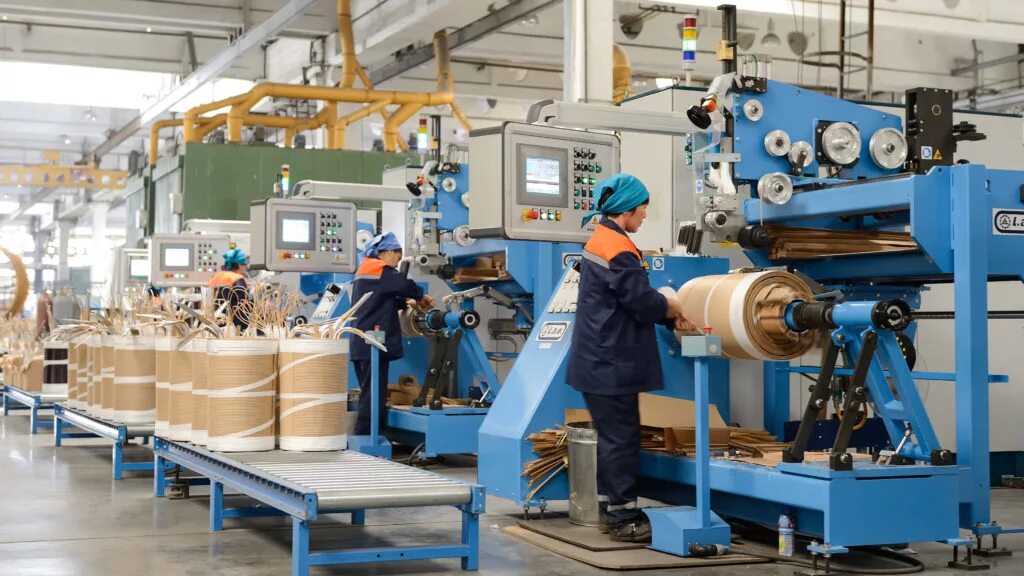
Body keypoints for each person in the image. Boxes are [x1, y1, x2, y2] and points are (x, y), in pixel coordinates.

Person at [566, 173, 696, 543]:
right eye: (643, 209)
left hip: (598, 360)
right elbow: (640, 302)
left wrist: (665, 312)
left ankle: (611, 509)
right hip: (610, 364)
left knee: (612, 438)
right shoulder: (618, 248)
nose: (644, 216)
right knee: (620, 440)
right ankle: (623, 518)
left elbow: (624, 299)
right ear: (627, 210)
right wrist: (670, 305)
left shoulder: (602, 240)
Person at [350, 232, 433, 435]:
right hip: (372, 342)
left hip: (362, 342)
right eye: (398, 256)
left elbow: (378, 301)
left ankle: (368, 437)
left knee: (370, 392)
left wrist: (405, 302)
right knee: (373, 395)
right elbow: (403, 284)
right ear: (387, 251)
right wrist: (422, 296)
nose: (397, 262)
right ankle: (366, 439)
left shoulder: (366, 270)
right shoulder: (379, 269)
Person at [208, 247, 250, 329]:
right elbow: (241, 306)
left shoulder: (216, 276)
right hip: (232, 324)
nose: (244, 267)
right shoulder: (237, 278)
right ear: (238, 264)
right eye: (244, 264)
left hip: (215, 322)